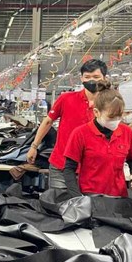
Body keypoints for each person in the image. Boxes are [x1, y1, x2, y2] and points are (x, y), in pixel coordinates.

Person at [26, 59, 110, 189]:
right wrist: (34, 146)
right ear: (81, 78)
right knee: (60, 200)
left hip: (94, 169)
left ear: (104, 78)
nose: (91, 80)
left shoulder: (110, 104)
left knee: (90, 202)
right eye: (87, 77)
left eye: (96, 77)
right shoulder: (66, 99)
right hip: (62, 166)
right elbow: (47, 121)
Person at [63, 89, 132, 198]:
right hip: (90, 196)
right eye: (111, 117)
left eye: (119, 116)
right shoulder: (80, 133)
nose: (116, 120)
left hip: (119, 196)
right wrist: (77, 197)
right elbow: (69, 169)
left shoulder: (127, 132)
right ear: (96, 112)